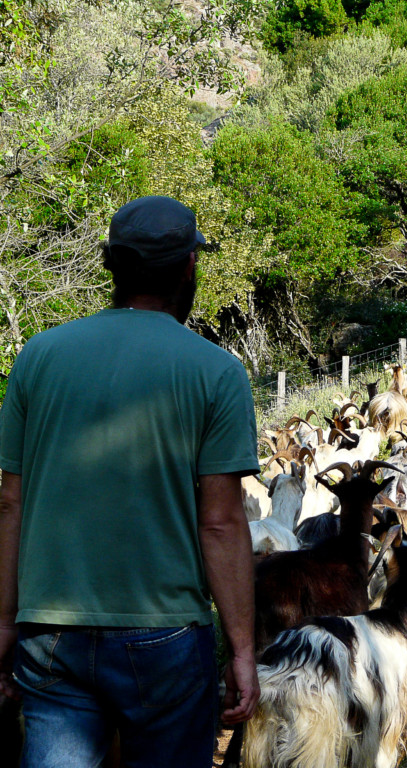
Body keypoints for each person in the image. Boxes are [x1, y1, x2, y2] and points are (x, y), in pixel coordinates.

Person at [0, 196, 261, 767]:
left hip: (50, 634)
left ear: (109, 266)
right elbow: (219, 521)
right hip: (164, 636)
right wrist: (242, 650)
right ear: (190, 268)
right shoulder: (216, 372)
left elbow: (10, 505)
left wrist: (3, 622)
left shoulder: (38, 357)